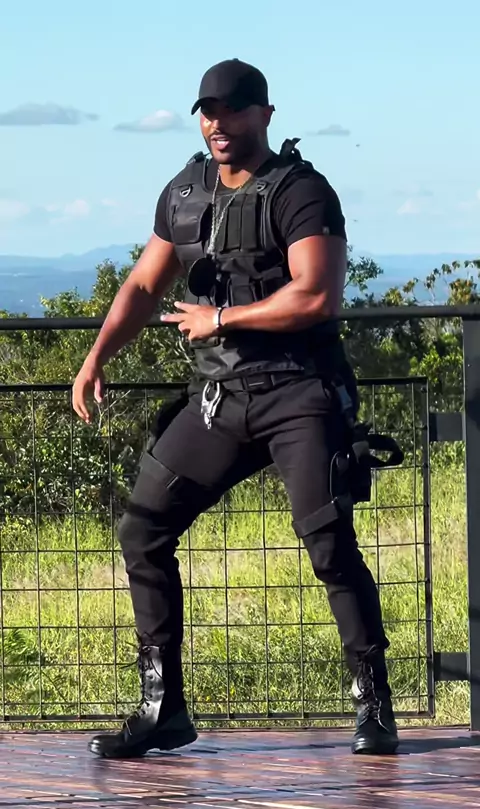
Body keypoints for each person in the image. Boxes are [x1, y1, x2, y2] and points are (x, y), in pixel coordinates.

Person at [72, 58, 399, 759]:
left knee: (328, 545)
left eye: (233, 109)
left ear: (265, 115)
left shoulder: (301, 191)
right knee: (143, 528)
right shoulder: (185, 192)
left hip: (298, 394)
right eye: (208, 111)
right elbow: (143, 285)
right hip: (220, 398)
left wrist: (220, 318)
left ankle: (374, 705)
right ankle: (162, 707)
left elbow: (317, 295)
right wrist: (96, 357)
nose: (218, 123)